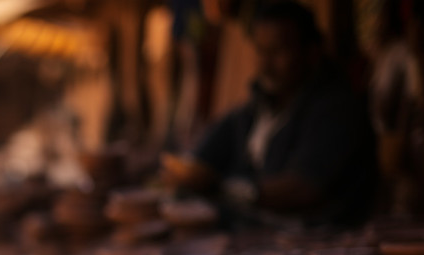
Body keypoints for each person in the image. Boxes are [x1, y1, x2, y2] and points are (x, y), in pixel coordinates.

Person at [161, 1, 379, 230]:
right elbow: (199, 160)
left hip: (317, 245)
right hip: (254, 240)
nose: (265, 64)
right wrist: (188, 172)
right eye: (261, 51)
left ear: (311, 53)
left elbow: (303, 189)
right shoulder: (253, 111)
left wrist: (225, 188)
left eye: (278, 51)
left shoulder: (337, 109)